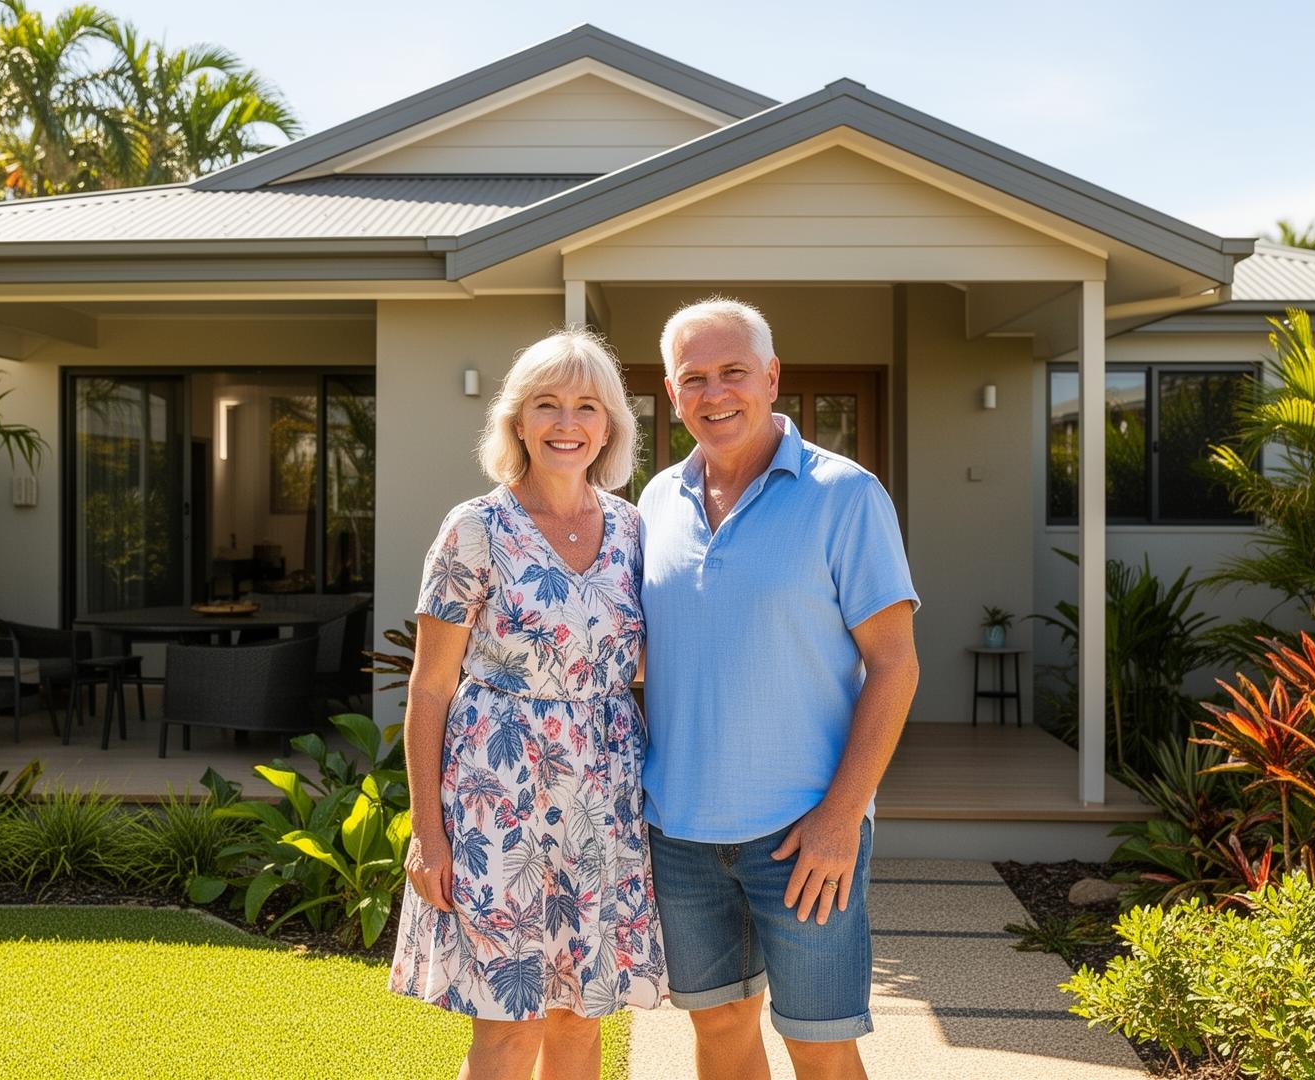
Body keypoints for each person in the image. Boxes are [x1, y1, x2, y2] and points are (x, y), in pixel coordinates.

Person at [638, 298, 921, 1080]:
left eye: (733, 371)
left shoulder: (847, 495)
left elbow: (896, 664)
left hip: (805, 837)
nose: (714, 391)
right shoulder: (653, 504)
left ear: (771, 376)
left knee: (821, 1047)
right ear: (671, 393)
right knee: (720, 1033)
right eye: (694, 377)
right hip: (680, 834)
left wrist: (840, 818)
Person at [390, 329, 667, 1078]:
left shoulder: (635, 532)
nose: (567, 423)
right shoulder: (475, 529)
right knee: (510, 1027)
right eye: (547, 405)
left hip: (602, 801)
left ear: (609, 426)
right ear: (518, 421)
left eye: (586, 406)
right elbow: (430, 687)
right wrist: (429, 832)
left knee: (581, 1020)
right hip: (496, 800)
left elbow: (647, 665)